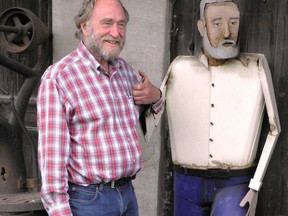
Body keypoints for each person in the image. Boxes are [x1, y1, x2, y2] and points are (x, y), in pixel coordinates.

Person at [144, 0, 280, 215]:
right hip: (186, 182)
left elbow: (275, 128)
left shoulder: (256, 67)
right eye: (217, 23)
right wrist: (149, 99)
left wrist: (255, 184)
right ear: (201, 27)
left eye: (233, 22)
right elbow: (150, 122)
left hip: (235, 181)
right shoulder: (179, 68)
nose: (227, 32)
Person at [37, 0, 162, 215]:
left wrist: (155, 95)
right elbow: (52, 160)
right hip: (87, 202)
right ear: (85, 27)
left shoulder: (125, 72)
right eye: (107, 23)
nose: (115, 32)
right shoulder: (59, 78)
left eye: (121, 24)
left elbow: (149, 119)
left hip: (127, 195)